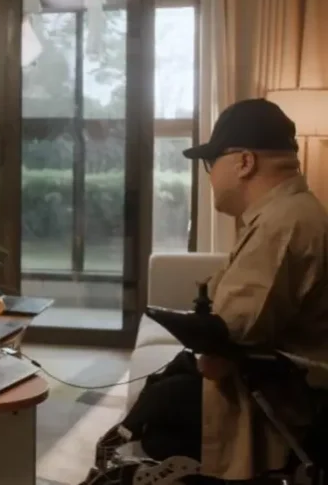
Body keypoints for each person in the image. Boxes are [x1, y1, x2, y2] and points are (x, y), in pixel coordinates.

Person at [98, 98, 328, 481]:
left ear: (244, 162)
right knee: (162, 392)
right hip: (289, 389)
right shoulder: (292, 214)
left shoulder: (281, 228)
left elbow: (222, 348)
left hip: (273, 407)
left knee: (159, 418)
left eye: (210, 163)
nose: (210, 177)